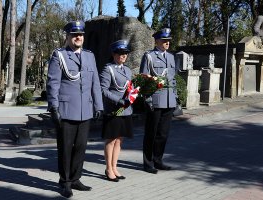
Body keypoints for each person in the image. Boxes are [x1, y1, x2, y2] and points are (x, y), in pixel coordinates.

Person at [46, 20, 103, 198]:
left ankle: (76, 178)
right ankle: (65, 182)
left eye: (81, 35)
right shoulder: (59, 55)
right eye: (74, 34)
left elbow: (95, 83)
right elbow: (53, 83)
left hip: (85, 110)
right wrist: (53, 107)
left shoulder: (89, 56)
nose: (78, 37)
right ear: (68, 36)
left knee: (80, 147)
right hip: (66, 110)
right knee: (65, 148)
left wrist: (98, 105)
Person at [139, 28, 177, 174]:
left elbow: (172, 79)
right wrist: (147, 99)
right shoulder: (149, 56)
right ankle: (148, 163)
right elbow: (143, 79)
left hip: (169, 101)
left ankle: (158, 160)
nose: (167, 43)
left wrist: (175, 98)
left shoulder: (171, 57)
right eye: (164, 40)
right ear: (157, 41)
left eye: (168, 40)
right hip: (155, 100)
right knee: (151, 133)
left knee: (163, 133)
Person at [99, 40, 134, 182]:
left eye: (125, 53)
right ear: (114, 54)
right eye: (120, 53)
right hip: (114, 109)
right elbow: (103, 90)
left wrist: (133, 95)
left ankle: (114, 167)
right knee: (111, 139)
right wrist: (119, 101)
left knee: (119, 140)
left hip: (125, 110)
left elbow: (129, 88)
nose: (123, 55)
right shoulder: (108, 69)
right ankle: (108, 168)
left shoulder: (127, 70)